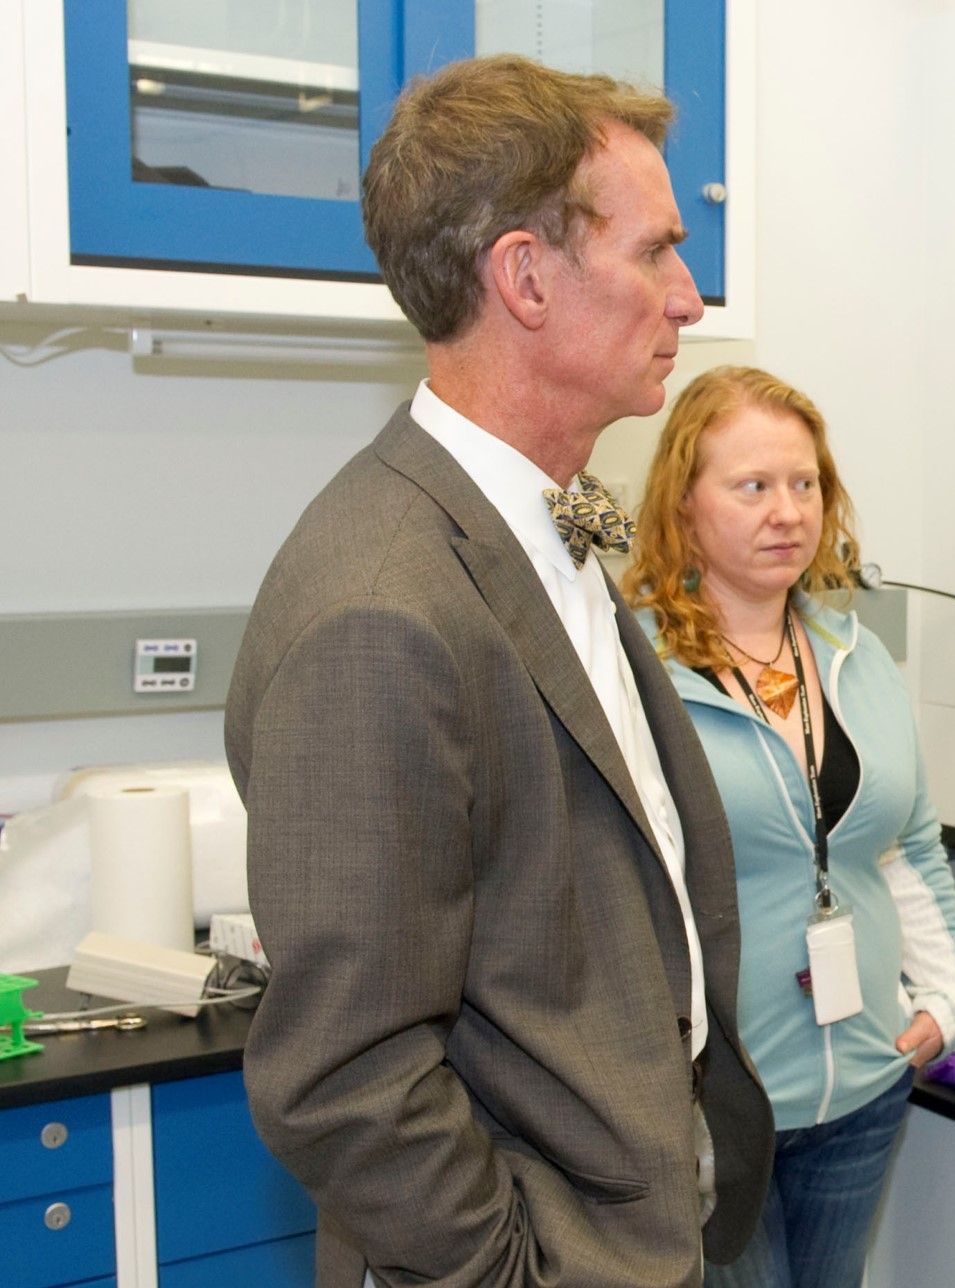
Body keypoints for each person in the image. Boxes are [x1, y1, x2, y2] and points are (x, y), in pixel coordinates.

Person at [225, 56, 772, 1287]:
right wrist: (514, 1271)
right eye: (655, 253)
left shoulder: (541, 528)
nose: (689, 298)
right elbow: (340, 1075)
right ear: (525, 276)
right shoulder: (383, 608)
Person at [624, 366, 955, 1288]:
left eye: (805, 483)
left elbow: (909, 844)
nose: (787, 511)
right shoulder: (637, 676)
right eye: (752, 486)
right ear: (685, 507)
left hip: (864, 1083)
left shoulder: (859, 658)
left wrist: (947, 1000)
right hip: (712, 1108)